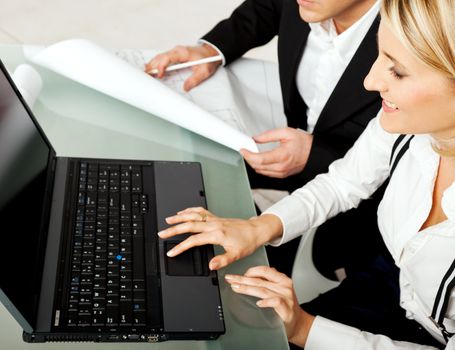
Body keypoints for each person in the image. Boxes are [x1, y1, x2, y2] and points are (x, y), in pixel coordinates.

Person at [157, 0, 455, 348]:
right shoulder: (408, 123)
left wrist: (303, 328)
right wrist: (257, 228)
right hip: (390, 284)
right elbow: (343, 181)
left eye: (398, 71)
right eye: (380, 56)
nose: (371, 81)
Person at [146, 0, 386, 279]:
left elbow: (407, 159)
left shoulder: (415, 43)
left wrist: (316, 155)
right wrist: (210, 49)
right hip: (295, 149)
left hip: (368, 201)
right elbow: (268, 7)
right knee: (185, 166)